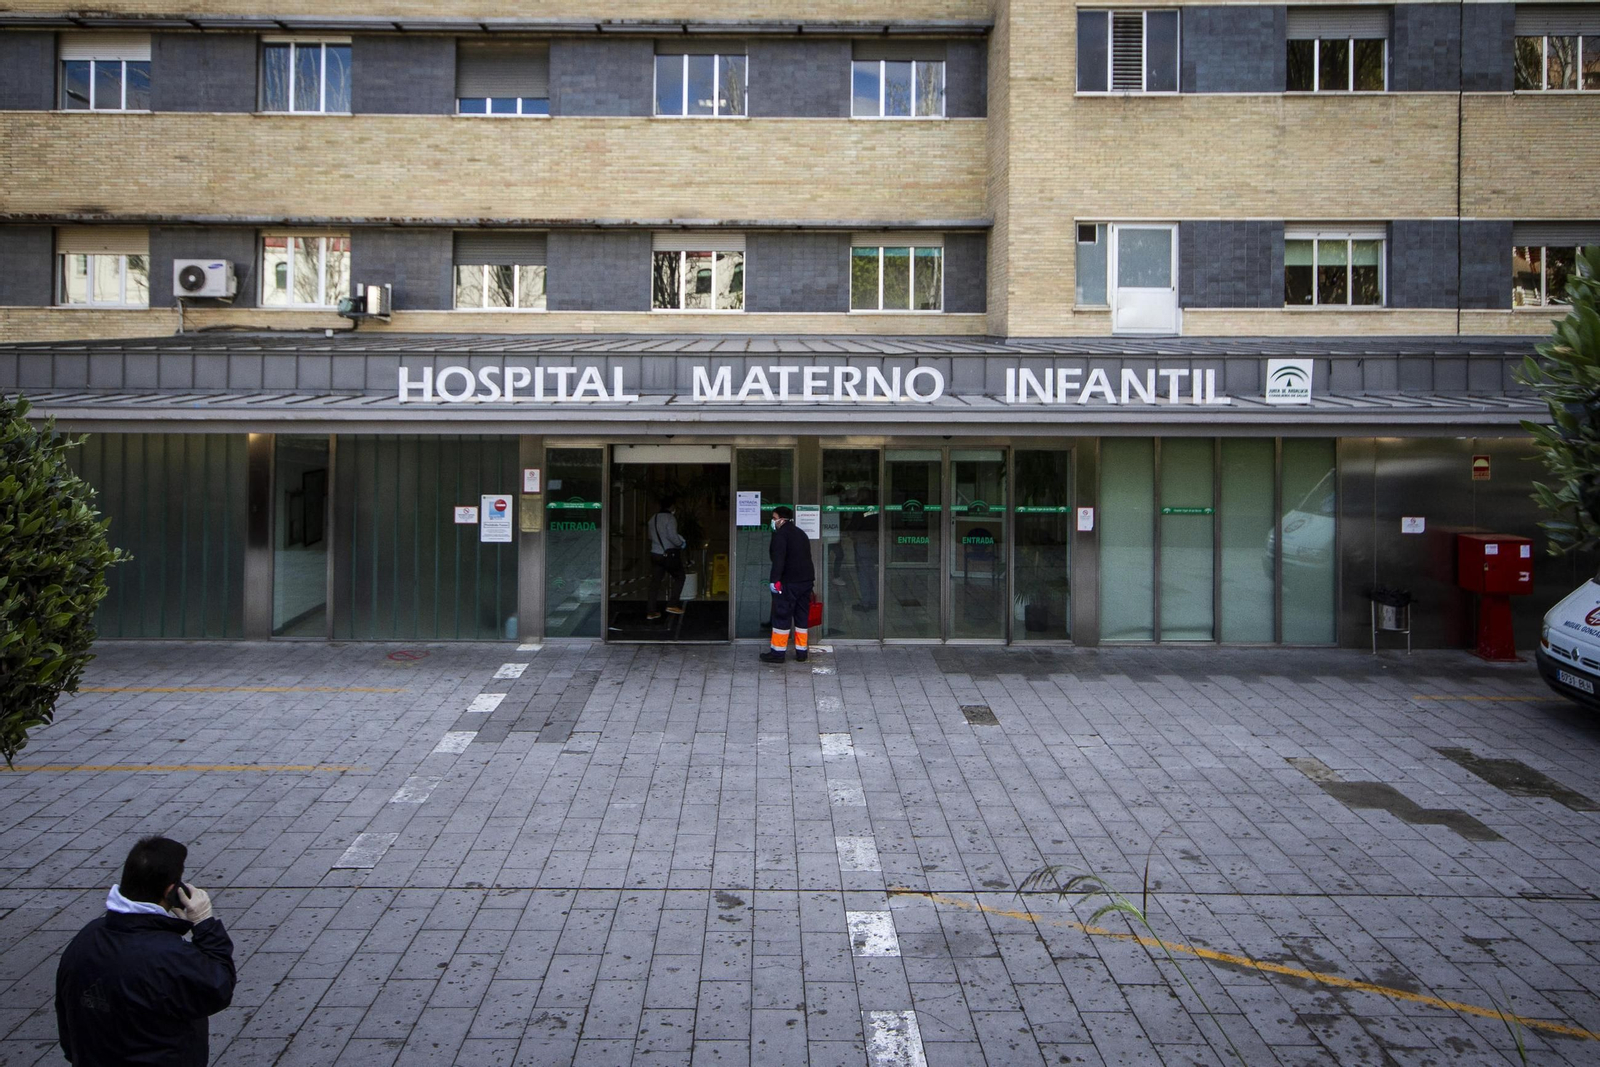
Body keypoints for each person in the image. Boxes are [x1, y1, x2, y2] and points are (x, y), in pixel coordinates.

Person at [56, 836, 235, 1067]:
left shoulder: (86, 938)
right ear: (171, 890)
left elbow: (66, 1015)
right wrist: (204, 924)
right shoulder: (169, 956)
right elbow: (218, 987)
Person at [762, 505, 816, 664]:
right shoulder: (800, 533)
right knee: (801, 616)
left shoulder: (781, 535)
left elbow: (779, 560)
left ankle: (777, 653)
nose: (773, 521)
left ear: (781, 519)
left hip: (789, 582)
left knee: (782, 616)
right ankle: (801, 652)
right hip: (806, 581)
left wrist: (774, 581)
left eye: (774, 518)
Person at [646, 495, 688, 621]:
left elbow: (650, 536)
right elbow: (672, 536)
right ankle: (672, 604)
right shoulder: (670, 518)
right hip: (668, 555)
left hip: (655, 554)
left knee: (655, 583)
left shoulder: (653, 518)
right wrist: (681, 543)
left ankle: (651, 611)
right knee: (680, 577)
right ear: (672, 506)